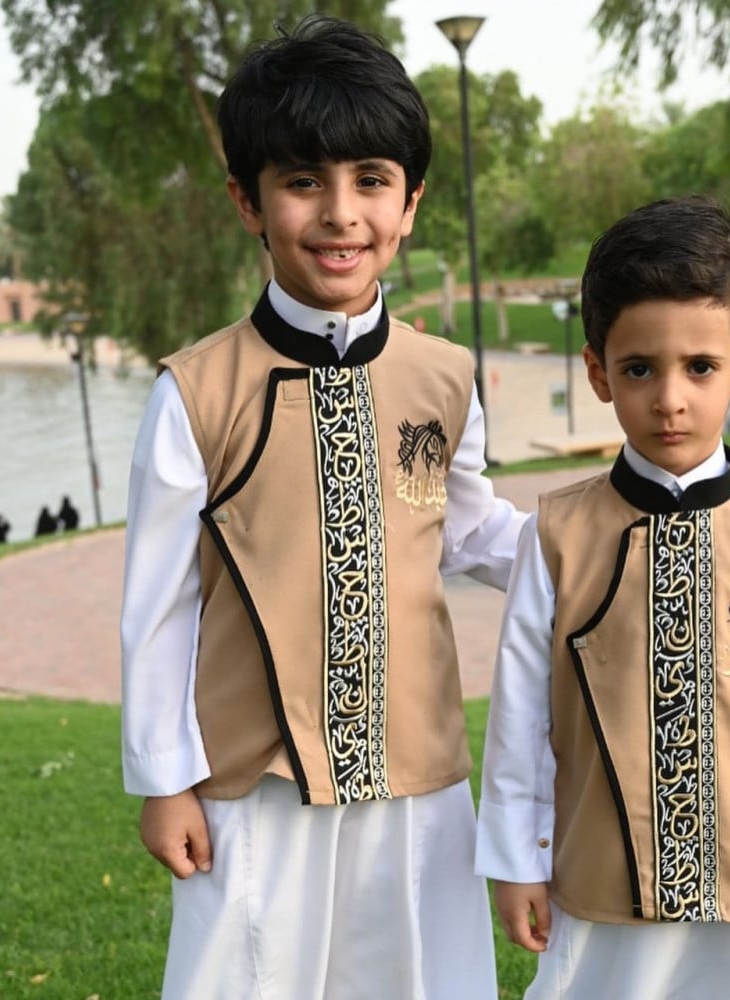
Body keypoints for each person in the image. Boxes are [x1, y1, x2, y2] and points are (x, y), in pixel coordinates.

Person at [120, 15, 526, 1000]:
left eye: (370, 181)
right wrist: (163, 778)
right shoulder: (196, 393)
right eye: (303, 181)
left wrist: (599, 540)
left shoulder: (444, 377)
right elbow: (159, 604)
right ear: (248, 202)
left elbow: (465, 526)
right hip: (254, 786)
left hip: (417, 773)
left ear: (410, 202)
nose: (341, 214)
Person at [476, 196, 730, 1000]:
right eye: (639, 369)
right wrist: (517, 860)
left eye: (700, 367)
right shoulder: (556, 537)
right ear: (598, 371)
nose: (670, 399)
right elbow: (520, 714)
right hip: (597, 891)